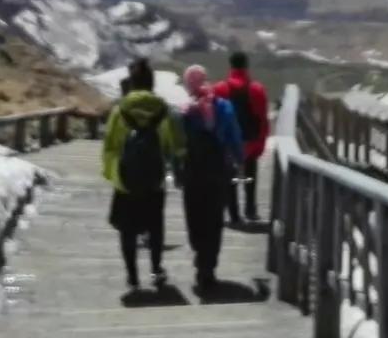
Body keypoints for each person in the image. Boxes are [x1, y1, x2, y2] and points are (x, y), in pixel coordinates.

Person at [102, 58, 185, 290]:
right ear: (151, 84)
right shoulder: (163, 110)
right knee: (155, 225)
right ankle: (156, 269)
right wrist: (170, 165)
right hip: (154, 180)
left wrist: (113, 174)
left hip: (125, 180)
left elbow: (110, 145)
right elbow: (173, 144)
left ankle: (132, 276)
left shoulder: (120, 110)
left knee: (127, 229)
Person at [176, 64, 244, 290]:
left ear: (188, 85)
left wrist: (175, 169)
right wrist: (239, 160)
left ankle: (200, 257)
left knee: (194, 217)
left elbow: (178, 145)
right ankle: (209, 266)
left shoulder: (184, 111)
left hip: (193, 172)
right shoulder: (223, 106)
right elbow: (234, 136)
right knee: (214, 220)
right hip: (218, 170)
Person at [212, 50, 270, 224]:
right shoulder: (257, 89)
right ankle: (250, 209)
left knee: (230, 178)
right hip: (250, 141)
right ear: (246, 66)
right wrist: (260, 143)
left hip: (228, 143)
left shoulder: (219, 89)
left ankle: (233, 214)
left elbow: (214, 118)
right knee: (250, 174)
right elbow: (262, 119)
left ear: (231, 66)